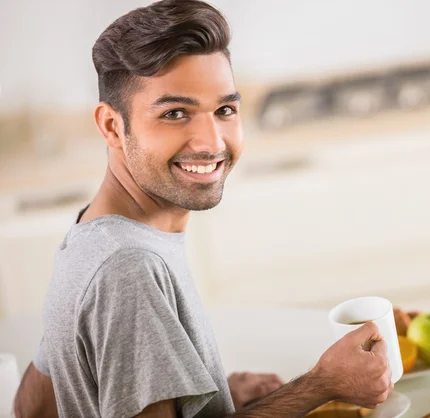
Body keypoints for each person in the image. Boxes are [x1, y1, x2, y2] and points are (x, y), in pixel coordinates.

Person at [12, 1, 394, 416]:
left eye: (224, 110)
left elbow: (33, 408)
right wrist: (321, 385)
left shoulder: (92, 236)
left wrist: (200, 393)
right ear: (111, 126)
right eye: (175, 113)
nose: (211, 142)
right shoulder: (128, 267)